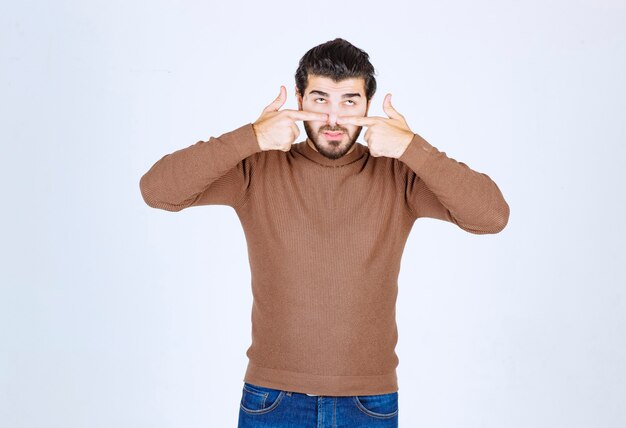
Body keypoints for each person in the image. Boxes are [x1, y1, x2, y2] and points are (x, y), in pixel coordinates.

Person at [139, 37, 510, 428]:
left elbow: (491, 216)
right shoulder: (257, 168)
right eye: (320, 100)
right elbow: (158, 191)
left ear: (369, 104)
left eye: (349, 101)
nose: (334, 118)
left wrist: (412, 148)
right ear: (298, 99)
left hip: (368, 402)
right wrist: (251, 136)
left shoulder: (399, 173)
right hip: (272, 399)